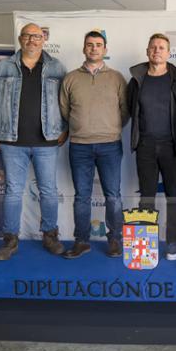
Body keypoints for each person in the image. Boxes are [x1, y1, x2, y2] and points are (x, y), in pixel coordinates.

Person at [0, 23, 68, 261]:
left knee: (48, 191)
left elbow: (67, 102)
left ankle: (50, 235)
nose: (32, 40)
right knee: (13, 192)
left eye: (37, 36)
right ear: (20, 39)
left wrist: (65, 129)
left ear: (43, 40)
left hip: (47, 141)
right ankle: (10, 240)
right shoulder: (4, 67)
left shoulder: (56, 67)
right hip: (11, 141)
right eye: (28, 36)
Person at [60, 31, 129, 259]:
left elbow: (125, 111)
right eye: (89, 45)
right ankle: (82, 241)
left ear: (105, 50)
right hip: (79, 146)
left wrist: (110, 128)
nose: (94, 48)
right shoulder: (70, 79)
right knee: (82, 196)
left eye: (98, 45)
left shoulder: (117, 78)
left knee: (113, 196)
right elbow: (64, 110)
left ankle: (115, 240)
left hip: (110, 145)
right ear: (84, 49)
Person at [128, 33, 176, 260]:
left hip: (171, 146)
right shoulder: (136, 81)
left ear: (168, 53)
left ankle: (173, 242)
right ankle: (144, 245)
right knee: (147, 197)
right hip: (145, 146)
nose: (157, 51)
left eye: (161, 47)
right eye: (153, 47)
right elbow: (129, 109)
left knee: (174, 195)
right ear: (147, 51)